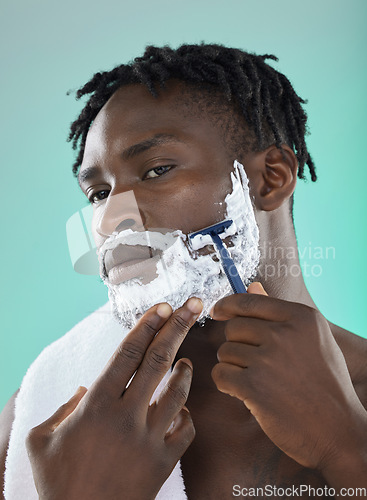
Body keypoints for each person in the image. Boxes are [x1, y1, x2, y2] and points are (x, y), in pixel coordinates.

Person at [1, 43, 367, 499]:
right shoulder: (48, 412)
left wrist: (348, 447)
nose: (111, 220)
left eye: (156, 170)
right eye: (97, 193)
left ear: (271, 178)